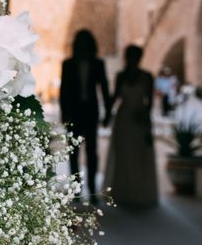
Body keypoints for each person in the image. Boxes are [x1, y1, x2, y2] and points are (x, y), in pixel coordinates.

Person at [60, 30, 111, 203]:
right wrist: (64, 114)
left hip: (91, 113)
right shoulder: (68, 64)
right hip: (74, 113)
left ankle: (92, 188)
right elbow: (63, 91)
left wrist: (108, 113)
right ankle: (76, 190)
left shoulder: (98, 64)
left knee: (92, 153)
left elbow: (104, 88)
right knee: (73, 153)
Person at [104, 45, 158, 207]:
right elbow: (115, 98)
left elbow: (150, 102)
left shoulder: (147, 77)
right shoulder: (120, 76)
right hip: (123, 119)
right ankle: (123, 191)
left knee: (138, 154)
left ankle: (138, 192)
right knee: (123, 154)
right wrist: (107, 116)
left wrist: (145, 118)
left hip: (139, 119)